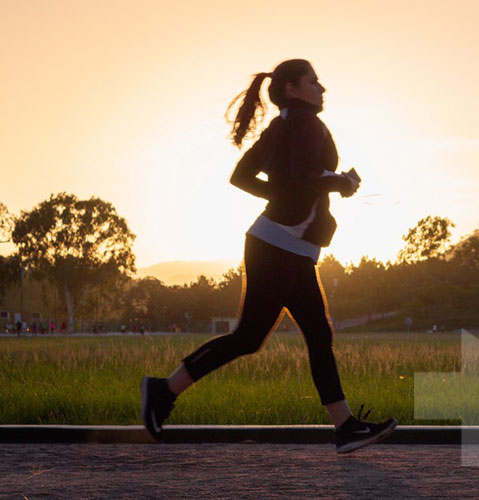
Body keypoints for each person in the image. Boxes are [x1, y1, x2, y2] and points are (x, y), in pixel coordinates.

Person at [140, 59, 397, 453]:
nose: (322, 88)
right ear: (293, 89)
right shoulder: (304, 124)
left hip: (282, 244)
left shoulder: (282, 125)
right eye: (314, 81)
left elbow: (242, 176)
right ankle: (162, 390)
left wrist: (284, 197)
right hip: (278, 246)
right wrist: (342, 182)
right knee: (256, 336)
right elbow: (302, 176)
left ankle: (344, 427)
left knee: (309, 334)